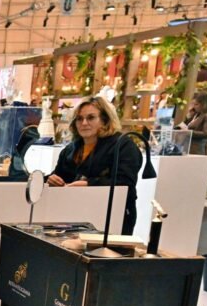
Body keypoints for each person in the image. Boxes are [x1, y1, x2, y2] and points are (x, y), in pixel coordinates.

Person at [47, 96, 142, 234]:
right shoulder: (71, 150)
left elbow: (125, 182)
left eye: (91, 118)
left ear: (105, 120)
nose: (84, 123)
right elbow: (59, 175)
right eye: (79, 119)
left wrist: (89, 184)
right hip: (72, 218)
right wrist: (51, 179)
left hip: (112, 218)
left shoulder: (123, 145)